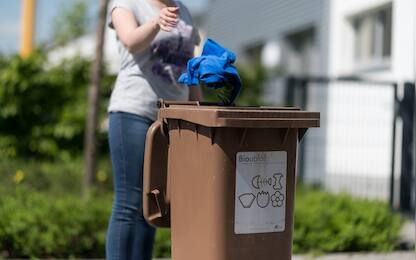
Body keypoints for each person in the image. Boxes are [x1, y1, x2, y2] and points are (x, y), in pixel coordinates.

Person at [106, 0, 202, 259]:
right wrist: (155, 22)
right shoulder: (127, 3)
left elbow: (189, 67)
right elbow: (131, 41)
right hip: (133, 110)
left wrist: (201, 111)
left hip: (172, 119)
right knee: (129, 203)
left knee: (153, 203)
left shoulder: (185, 12)